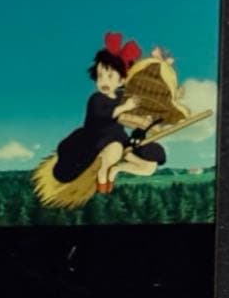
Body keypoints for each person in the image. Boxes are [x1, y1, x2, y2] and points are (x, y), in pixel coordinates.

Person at [52, 32, 167, 194]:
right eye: (100, 76)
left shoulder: (122, 96)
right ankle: (102, 174)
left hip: (120, 139)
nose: (104, 81)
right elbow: (101, 116)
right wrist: (123, 108)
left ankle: (116, 170)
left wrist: (145, 118)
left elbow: (136, 110)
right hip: (97, 140)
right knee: (115, 149)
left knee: (149, 167)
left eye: (110, 76)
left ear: (121, 80)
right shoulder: (96, 99)